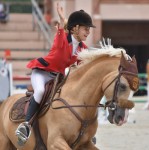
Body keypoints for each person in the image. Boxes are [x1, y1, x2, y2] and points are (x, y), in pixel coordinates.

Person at [15, 3, 96, 145]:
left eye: (89, 29)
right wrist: (62, 19)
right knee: (39, 91)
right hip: (42, 72)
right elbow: (63, 31)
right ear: (75, 28)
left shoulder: (83, 48)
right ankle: (26, 126)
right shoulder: (62, 38)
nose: (88, 32)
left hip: (58, 76)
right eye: (86, 28)